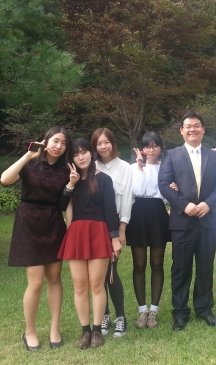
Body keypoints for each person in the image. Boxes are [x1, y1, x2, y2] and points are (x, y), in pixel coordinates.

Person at [1, 126, 72, 351]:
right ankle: (29, 331)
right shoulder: (30, 163)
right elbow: (5, 179)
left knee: (54, 278)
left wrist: (71, 186)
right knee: (36, 282)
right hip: (28, 223)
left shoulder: (65, 170)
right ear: (46, 141)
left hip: (53, 222)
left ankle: (54, 329)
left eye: (63, 143)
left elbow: (66, 203)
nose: (59, 146)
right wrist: (28, 155)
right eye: (55, 140)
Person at [158, 112, 216, 331]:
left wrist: (208, 204)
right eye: (188, 126)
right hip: (182, 221)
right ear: (182, 131)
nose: (192, 129)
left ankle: (204, 309)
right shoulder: (171, 155)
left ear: (203, 130)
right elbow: (164, 184)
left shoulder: (214, 156)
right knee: (181, 267)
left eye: (196, 126)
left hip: (207, 220)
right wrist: (184, 205)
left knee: (205, 266)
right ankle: (180, 313)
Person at [57, 139, 121, 349]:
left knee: (96, 284)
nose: (81, 157)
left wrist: (114, 238)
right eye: (75, 155)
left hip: (98, 232)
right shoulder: (71, 180)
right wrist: (70, 184)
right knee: (79, 285)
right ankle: (85, 331)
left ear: (91, 153)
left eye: (83, 152)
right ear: (72, 159)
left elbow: (111, 210)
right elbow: (61, 205)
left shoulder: (104, 179)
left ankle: (97, 330)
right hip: (76, 234)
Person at [91, 128, 132, 337]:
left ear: (113, 143)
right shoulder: (91, 166)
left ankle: (121, 317)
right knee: (97, 275)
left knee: (111, 273)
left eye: (106, 142)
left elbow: (127, 199)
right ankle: (104, 315)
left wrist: (122, 229)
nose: (103, 147)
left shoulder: (124, 167)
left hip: (114, 224)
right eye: (98, 143)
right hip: (95, 225)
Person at [127, 132, 170, 329]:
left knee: (157, 263)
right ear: (142, 148)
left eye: (155, 146)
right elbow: (136, 191)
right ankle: (142, 310)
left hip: (158, 214)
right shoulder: (133, 168)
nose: (151, 150)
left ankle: (154, 310)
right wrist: (140, 167)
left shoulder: (166, 168)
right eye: (147, 146)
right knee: (139, 264)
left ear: (160, 148)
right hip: (138, 214)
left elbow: (167, 197)